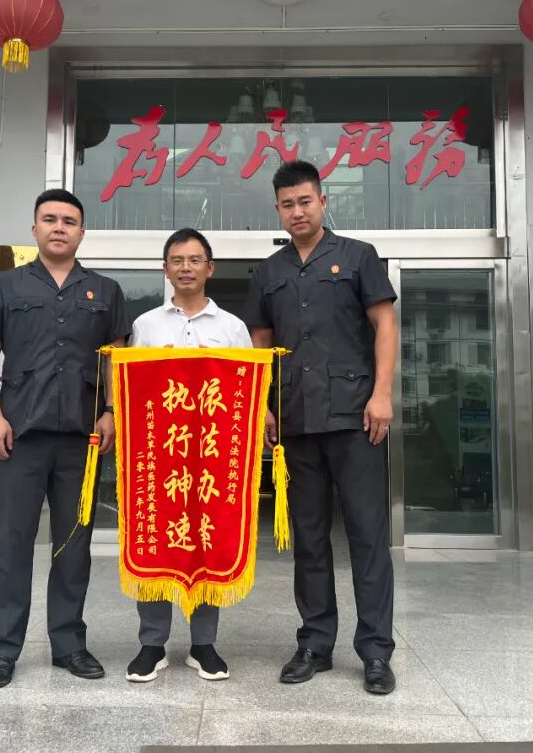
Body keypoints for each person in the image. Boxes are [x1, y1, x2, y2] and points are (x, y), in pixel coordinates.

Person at [0, 188, 131, 689]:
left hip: (81, 440)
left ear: (82, 233)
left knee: (74, 546)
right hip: (19, 436)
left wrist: (110, 411)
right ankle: (2, 650)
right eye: (50, 219)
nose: (59, 228)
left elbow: (114, 358)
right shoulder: (5, 285)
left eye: (69, 221)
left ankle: (69, 645)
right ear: (34, 229)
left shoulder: (104, 290)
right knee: (11, 544)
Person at [245, 160, 398, 695]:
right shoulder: (269, 272)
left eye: (305, 201)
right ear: (277, 209)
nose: (297, 211)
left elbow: (385, 325)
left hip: (357, 418)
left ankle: (375, 651)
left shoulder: (358, 256)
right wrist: (262, 405)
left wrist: (382, 394)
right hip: (296, 421)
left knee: (367, 536)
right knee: (309, 538)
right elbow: (260, 344)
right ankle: (314, 643)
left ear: (323, 201)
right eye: (287, 204)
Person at [125, 228, 252, 683]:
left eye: (195, 260)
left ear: (209, 268)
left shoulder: (232, 327)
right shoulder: (146, 325)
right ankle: (151, 644)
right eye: (177, 260)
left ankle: (204, 644)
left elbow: (247, 391)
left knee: (206, 541)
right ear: (165, 269)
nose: (186, 268)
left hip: (211, 457)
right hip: (158, 455)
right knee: (154, 540)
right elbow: (130, 389)